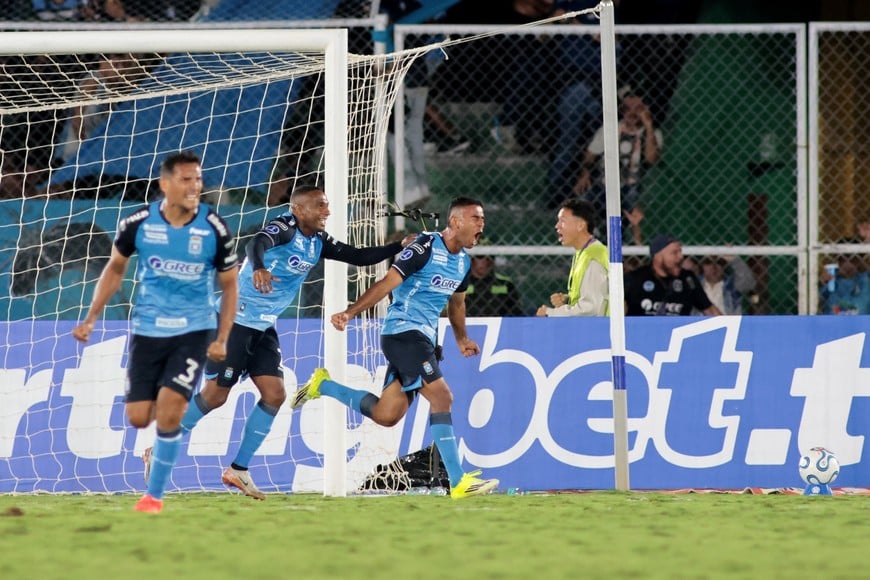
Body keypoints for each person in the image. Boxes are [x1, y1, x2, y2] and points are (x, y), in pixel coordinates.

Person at [153, 184, 416, 500]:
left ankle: (238, 469)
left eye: (327, 205)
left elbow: (357, 256)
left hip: (262, 327)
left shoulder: (317, 241)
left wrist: (398, 246)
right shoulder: (285, 228)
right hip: (234, 320)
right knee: (214, 396)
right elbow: (257, 243)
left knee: (275, 394)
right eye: (320, 206)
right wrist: (260, 267)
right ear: (299, 209)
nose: (327, 212)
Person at [290, 196, 499, 499]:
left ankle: (323, 386)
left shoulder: (463, 263)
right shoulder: (425, 247)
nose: (482, 224)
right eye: (476, 218)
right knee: (442, 397)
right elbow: (388, 282)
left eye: (482, 219)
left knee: (387, 414)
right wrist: (351, 311)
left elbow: (457, 304)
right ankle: (458, 481)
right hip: (403, 333)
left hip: (423, 340)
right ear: (455, 222)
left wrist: (462, 339)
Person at [71, 151, 239, 513]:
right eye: (186, 179)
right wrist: (91, 317)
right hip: (148, 330)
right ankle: (153, 457)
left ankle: (154, 497)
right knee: (138, 417)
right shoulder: (140, 223)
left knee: (170, 410)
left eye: (198, 179)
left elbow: (229, 286)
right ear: (165, 184)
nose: (196, 186)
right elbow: (115, 268)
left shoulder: (214, 227)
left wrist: (222, 337)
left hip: (194, 330)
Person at [574, 91, 662, 227]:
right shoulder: (610, 129)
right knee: (584, 201)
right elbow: (590, 154)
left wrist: (648, 125)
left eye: (637, 109)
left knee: (633, 202)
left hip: (634, 185)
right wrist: (585, 173)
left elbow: (651, 159)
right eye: (626, 109)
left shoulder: (653, 135)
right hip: (604, 183)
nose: (631, 114)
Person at [537, 198, 608, 317]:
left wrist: (550, 313)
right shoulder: (584, 253)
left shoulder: (593, 258)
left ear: (580, 225)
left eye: (562, 221)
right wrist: (567, 300)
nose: (557, 226)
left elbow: (590, 309)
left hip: (597, 333)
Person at [624, 233, 721, 316]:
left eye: (680, 252)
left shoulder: (687, 279)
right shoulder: (636, 279)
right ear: (658, 256)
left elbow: (709, 310)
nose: (680, 257)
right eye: (674, 253)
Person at [465, 248, 524, 317]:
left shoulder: (505, 284)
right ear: (471, 260)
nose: (487, 261)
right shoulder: (460, 283)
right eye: (481, 257)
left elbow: (516, 312)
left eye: (490, 257)